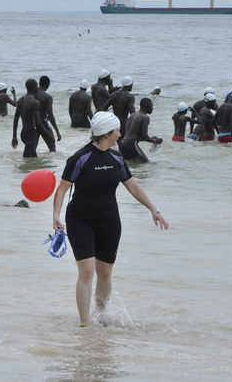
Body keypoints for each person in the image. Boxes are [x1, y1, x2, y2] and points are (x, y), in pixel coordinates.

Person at [52, 111, 169, 327]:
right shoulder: (80, 158)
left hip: (109, 221)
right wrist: (56, 216)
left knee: (105, 272)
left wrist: (154, 209)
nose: (120, 133)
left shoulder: (116, 158)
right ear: (106, 134)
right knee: (86, 271)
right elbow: (61, 190)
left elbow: (133, 186)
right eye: (117, 130)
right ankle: (85, 323)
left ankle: (101, 315)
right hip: (80, 220)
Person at [119, 98, 162, 163]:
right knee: (146, 163)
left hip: (122, 144)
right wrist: (155, 141)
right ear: (147, 107)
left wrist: (150, 138)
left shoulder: (132, 116)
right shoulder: (145, 117)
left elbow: (133, 136)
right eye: (151, 106)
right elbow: (144, 136)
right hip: (131, 144)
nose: (152, 109)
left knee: (132, 164)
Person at [11, 79, 43, 158]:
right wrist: (48, 135)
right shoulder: (34, 102)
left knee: (34, 158)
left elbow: (16, 119)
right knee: (26, 160)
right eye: (36, 86)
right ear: (33, 87)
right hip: (31, 133)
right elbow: (38, 122)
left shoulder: (21, 100)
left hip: (24, 133)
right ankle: (23, 171)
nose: (37, 88)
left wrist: (14, 135)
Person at [36, 75, 61, 151]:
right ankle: (51, 162)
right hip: (43, 122)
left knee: (33, 146)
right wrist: (57, 131)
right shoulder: (47, 97)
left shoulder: (32, 95)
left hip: (34, 122)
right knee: (52, 145)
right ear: (47, 85)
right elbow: (50, 115)